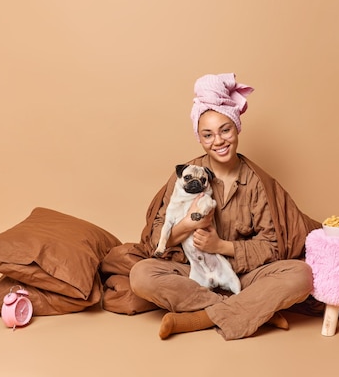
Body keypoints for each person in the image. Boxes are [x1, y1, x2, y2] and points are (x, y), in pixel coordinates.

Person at [127, 73, 322, 340]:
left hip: (247, 276)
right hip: (194, 273)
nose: (218, 141)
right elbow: (154, 239)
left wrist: (220, 246)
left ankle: (200, 318)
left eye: (225, 130)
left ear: (237, 127)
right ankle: (255, 310)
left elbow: (273, 245)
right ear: (200, 138)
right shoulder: (186, 176)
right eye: (208, 135)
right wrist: (187, 226)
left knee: (301, 275)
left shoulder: (258, 183)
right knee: (142, 275)